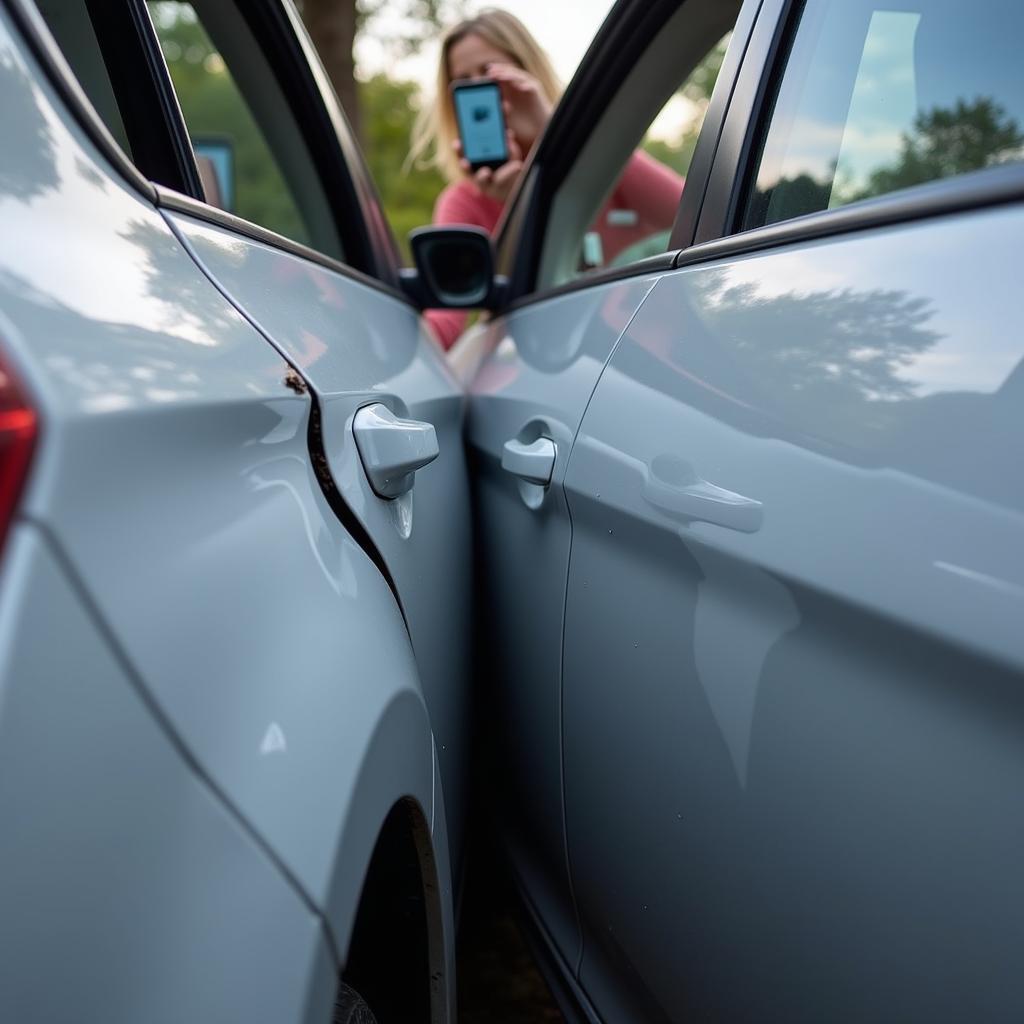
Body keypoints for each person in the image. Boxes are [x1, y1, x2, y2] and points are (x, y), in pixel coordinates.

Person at [410, 8, 685, 350]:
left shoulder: (604, 165)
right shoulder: (465, 203)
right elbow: (445, 318)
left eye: (490, 72)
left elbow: (694, 212)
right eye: (464, 82)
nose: (479, 90)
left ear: (527, 72)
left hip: (650, 351)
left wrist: (558, 133)